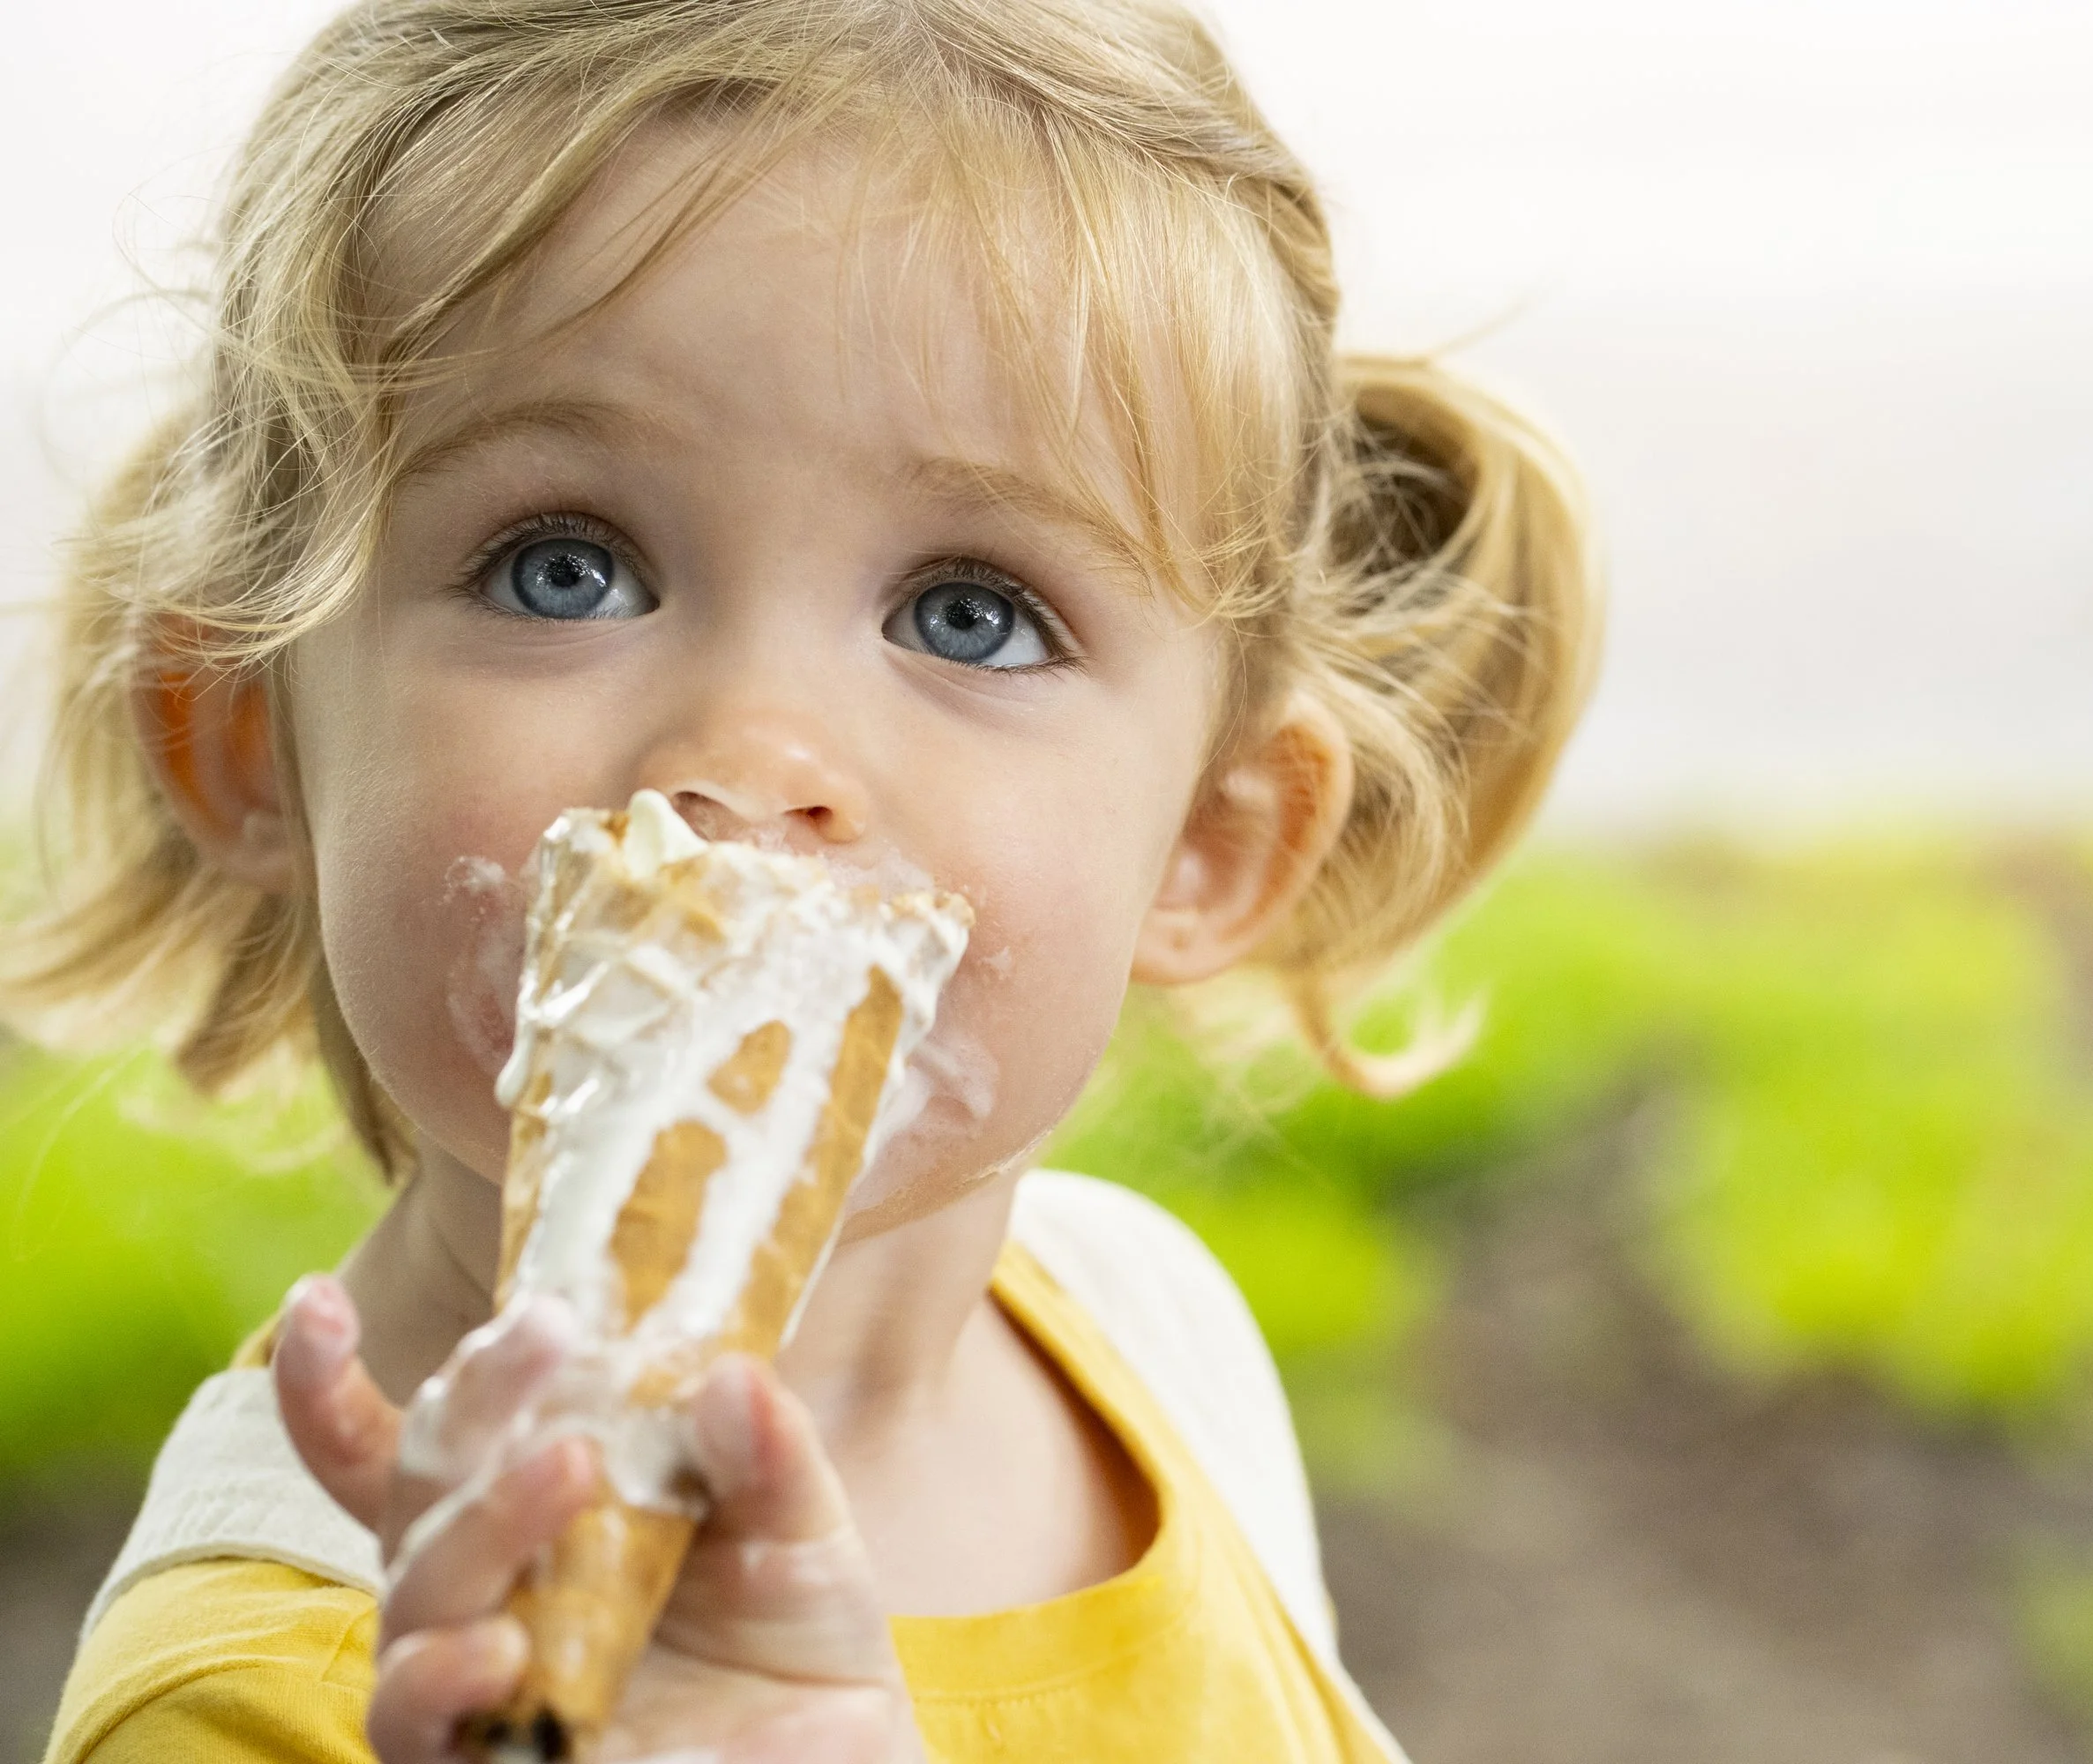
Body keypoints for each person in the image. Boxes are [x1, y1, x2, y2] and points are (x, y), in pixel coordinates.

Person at [23, 0, 1596, 1758]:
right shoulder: (274, 1697)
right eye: (564, 568)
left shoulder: (1143, 1329)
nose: (757, 751)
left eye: (967, 614)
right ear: (247, 737)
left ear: (1209, 845)